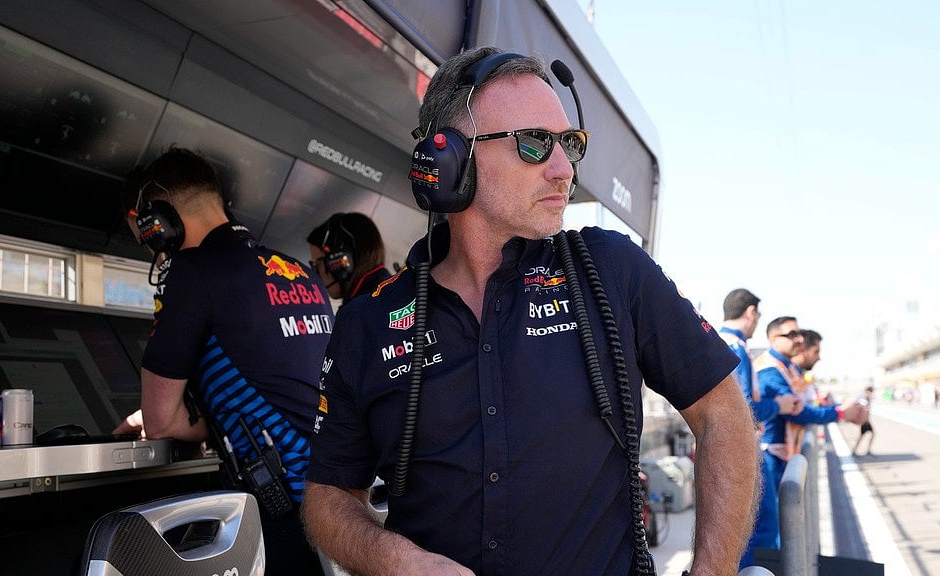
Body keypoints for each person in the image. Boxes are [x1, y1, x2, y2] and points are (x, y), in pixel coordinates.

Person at [302, 46, 758, 576]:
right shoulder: (367, 322)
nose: (564, 169)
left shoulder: (613, 270)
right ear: (450, 160)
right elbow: (329, 497)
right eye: (536, 144)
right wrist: (397, 560)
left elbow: (723, 413)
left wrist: (712, 571)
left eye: (570, 143)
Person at [113, 147, 332, 576]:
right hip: (346, 502)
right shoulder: (298, 272)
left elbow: (159, 423)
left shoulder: (193, 272)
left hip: (288, 516)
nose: (151, 249)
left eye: (145, 236)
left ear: (161, 221)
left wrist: (172, 414)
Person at [754, 319, 867, 554]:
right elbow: (799, 412)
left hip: (781, 455)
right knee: (767, 531)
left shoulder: (786, 368)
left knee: (776, 529)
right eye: (792, 334)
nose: (798, 339)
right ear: (774, 338)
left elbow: (801, 406)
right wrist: (839, 413)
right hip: (770, 456)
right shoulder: (770, 369)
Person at [719, 289, 802, 569]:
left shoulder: (721, 340)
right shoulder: (736, 346)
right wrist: (778, 405)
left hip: (733, 448)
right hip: (745, 449)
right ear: (751, 313)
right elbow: (744, 410)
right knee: (762, 529)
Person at [306, 212, 393, 306]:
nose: (316, 273)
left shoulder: (358, 311)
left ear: (340, 260)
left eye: (317, 264)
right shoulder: (390, 293)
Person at [852, 386, 875, 456]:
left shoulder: (867, 398)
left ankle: (866, 450)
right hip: (864, 421)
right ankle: (854, 451)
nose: (871, 393)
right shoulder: (863, 398)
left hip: (866, 420)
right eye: (870, 392)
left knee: (871, 434)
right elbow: (860, 407)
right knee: (862, 436)